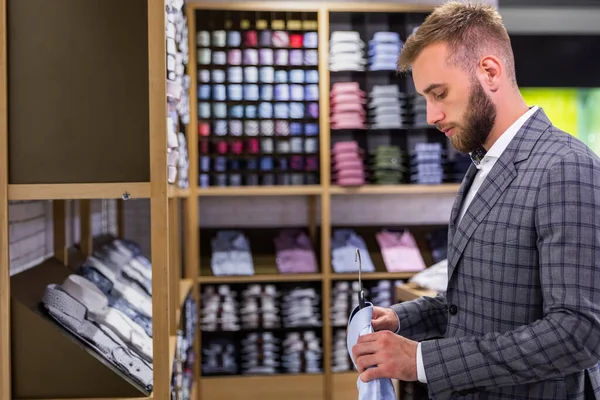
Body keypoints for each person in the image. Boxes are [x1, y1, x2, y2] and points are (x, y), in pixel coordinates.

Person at [351, 2, 600, 399]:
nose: (432, 115)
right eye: (425, 99)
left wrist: (420, 361)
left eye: (440, 94)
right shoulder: (481, 167)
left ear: (489, 71)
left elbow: (577, 333)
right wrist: (400, 318)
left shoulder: (566, 166)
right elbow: (475, 300)